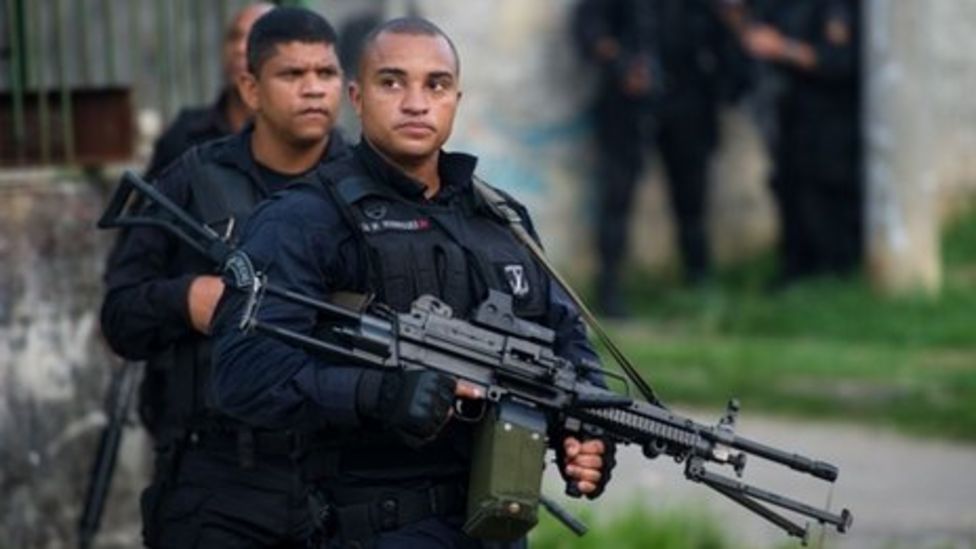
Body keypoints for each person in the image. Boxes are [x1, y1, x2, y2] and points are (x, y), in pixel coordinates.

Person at [210, 17, 613, 549]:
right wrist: (377, 392)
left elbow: (568, 344)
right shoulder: (304, 220)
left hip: (496, 527)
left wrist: (584, 432)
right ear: (357, 95)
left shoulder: (502, 221)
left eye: (436, 85)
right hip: (371, 528)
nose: (416, 102)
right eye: (392, 82)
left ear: (457, 98)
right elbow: (242, 375)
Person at [99, 7, 348, 547]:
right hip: (217, 477)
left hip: (340, 480)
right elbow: (118, 317)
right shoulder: (191, 179)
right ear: (250, 88)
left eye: (325, 74)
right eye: (292, 75)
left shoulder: (364, 188)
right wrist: (185, 299)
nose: (312, 90)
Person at [572, 0, 743, 314]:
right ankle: (609, 290)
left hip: (689, 102)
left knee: (692, 200)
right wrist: (622, 65)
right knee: (617, 199)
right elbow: (590, 30)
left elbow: (724, 36)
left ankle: (699, 286)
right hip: (628, 105)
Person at [741, 0, 862, 283]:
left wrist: (782, 48)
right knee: (790, 190)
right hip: (792, 117)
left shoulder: (838, 7)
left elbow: (839, 61)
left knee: (828, 195)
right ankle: (795, 273)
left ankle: (835, 274)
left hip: (832, 120)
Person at [144, 2, 274, 179]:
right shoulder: (186, 134)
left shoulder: (299, 136)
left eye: (253, 38)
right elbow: (148, 202)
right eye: (234, 37)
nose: (239, 48)